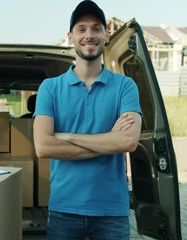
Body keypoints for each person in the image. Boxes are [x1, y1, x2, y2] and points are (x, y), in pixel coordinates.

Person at [33, 0, 142, 239]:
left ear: (106, 35)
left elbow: (128, 142)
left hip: (111, 210)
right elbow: (43, 146)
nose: (88, 35)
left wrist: (67, 136)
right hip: (64, 208)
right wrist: (109, 139)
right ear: (70, 36)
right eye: (81, 29)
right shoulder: (50, 88)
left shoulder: (125, 86)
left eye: (96, 28)